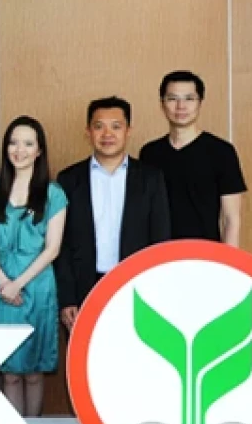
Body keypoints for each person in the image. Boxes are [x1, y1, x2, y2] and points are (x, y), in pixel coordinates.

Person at [55, 96, 171, 335]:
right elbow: (61, 243)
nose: (107, 134)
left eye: (116, 126)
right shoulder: (68, 179)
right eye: (99, 126)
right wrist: (67, 298)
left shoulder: (151, 178)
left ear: (128, 131)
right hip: (84, 289)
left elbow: (160, 239)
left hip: (135, 287)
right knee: (86, 356)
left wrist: (155, 292)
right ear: (88, 132)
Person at [0, 116, 67, 417]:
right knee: (8, 371)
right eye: (13, 143)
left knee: (33, 371)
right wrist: (3, 281)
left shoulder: (53, 193)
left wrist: (18, 284)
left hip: (37, 285)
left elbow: (53, 248)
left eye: (28, 144)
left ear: (39, 150)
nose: (19, 150)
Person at [139, 70, 247, 246]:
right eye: (172, 99)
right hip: (160, 254)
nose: (181, 106)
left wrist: (228, 262)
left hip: (205, 253)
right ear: (162, 104)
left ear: (200, 102)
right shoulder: (150, 153)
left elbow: (231, 219)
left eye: (189, 99)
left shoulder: (222, 152)